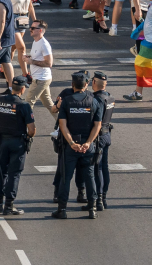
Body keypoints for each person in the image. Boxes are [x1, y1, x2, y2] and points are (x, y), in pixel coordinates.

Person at [52, 70, 102, 220]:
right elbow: (97, 126)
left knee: (66, 177)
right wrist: (88, 143)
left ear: (72, 84)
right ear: (86, 85)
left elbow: (62, 125)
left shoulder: (67, 101)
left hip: (70, 146)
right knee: (90, 176)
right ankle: (92, 208)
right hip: (88, 146)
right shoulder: (93, 101)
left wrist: (72, 143)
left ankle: (62, 209)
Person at [0, 76, 36, 216]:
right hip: (17, 142)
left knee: (1, 173)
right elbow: (32, 129)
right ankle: (9, 205)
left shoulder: (0, 101)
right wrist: (27, 137)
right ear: (22, 89)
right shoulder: (24, 105)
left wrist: (2, 131)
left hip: (1, 141)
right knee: (14, 174)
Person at [90, 71, 115, 211]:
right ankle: (103, 197)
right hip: (107, 134)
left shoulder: (96, 99)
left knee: (97, 167)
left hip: (98, 136)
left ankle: (98, 198)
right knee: (104, 167)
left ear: (94, 83)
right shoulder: (110, 97)